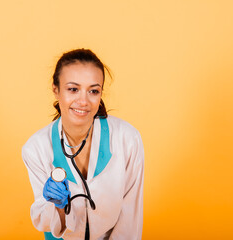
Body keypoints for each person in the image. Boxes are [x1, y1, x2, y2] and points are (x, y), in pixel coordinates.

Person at [22, 48, 144, 240]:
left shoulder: (127, 139)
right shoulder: (36, 148)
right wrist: (58, 208)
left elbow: (130, 218)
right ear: (56, 90)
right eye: (73, 89)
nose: (83, 101)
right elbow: (44, 221)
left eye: (93, 91)